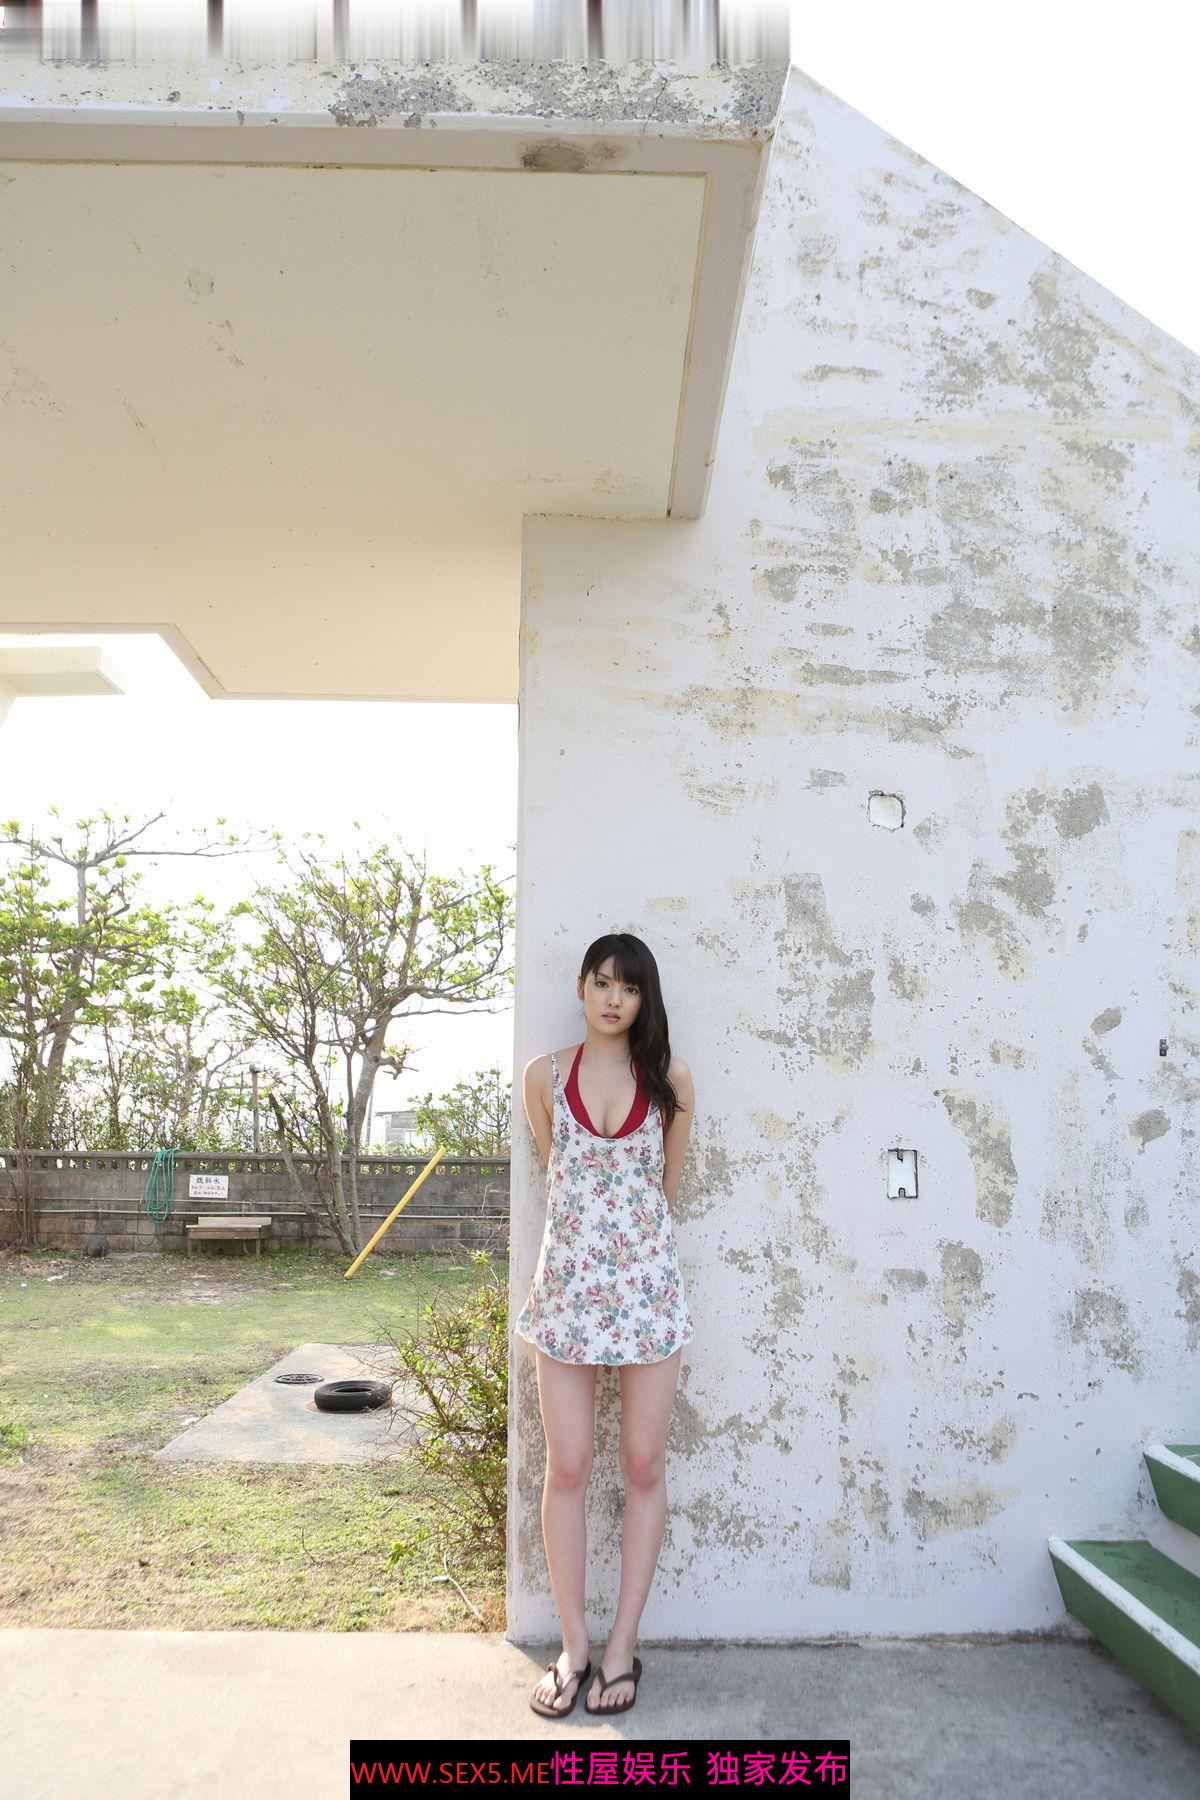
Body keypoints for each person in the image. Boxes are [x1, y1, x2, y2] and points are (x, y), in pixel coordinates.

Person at [515, 932, 696, 1719]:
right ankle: (573, 1646)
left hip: (649, 1296)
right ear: (582, 988)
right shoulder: (545, 1076)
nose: (614, 998)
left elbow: (665, 1190)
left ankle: (622, 1644)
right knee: (568, 1466)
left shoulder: (671, 1079)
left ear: (644, 998)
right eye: (601, 982)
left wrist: (630, 1254)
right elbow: (558, 1171)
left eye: (629, 986)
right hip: (567, 1295)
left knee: (644, 1462)